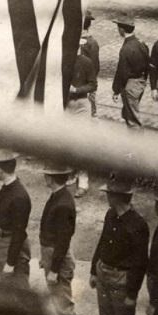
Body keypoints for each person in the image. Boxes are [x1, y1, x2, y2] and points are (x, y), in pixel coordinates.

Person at [91, 173, 149, 315]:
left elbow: (140, 262)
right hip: (104, 274)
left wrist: (132, 294)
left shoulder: (138, 225)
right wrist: (93, 270)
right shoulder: (110, 215)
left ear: (118, 196)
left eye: (109, 194)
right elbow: (103, 241)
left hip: (122, 280)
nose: (107, 197)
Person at [40, 163, 80, 315]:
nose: (45, 176)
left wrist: (54, 269)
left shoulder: (63, 202)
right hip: (52, 255)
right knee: (59, 303)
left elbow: (63, 241)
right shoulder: (59, 196)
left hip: (58, 259)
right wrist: (44, 258)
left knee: (65, 305)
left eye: (47, 174)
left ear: (52, 178)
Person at [0, 149, 31, 287]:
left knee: (18, 286)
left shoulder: (18, 196)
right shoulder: (8, 187)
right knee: (7, 284)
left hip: (12, 243)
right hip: (4, 241)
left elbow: (19, 232)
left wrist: (10, 262)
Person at [66, 36, 97, 195]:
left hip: (81, 105)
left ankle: (83, 178)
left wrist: (77, 90)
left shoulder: (86, 62)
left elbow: (93, 84)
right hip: (67, 105)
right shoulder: (63, 62)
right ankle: (72, 171)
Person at [112, 14, 150, 129]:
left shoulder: (126, 48)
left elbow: (122, 72)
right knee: (130, 113)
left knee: (133, 120)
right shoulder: (142, 43)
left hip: (130, 85)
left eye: (118, 27)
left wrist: (116, 90)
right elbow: (148, 65)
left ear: (122, 29)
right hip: (141, 82)